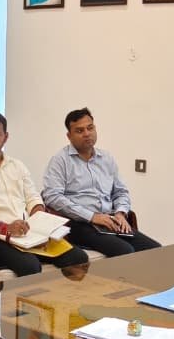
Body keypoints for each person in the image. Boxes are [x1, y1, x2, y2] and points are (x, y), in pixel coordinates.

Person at [0, 111, 88, 276]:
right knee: (30, 266)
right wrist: (4, 227)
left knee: (78, 258)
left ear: (6, 137)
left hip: (27, 233)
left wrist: (41, 222)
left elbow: (33, 199)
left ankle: (62, 294)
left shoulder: (17, 166)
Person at [43, 108, 161, 257]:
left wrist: (120, 213)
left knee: (155, 250)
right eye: (79, 131)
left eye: (90, 128)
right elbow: (52, 197)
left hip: (109, 220)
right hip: (79, 224)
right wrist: (91, 216)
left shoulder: (106, 158)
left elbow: (120, 192)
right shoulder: (60, 160)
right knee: (125, 251)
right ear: (69, 136)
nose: (87, 133)